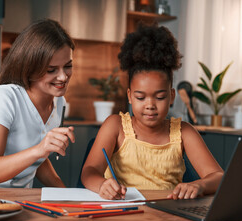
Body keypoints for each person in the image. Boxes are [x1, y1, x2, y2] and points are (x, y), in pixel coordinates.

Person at [81, 23, 224, 200]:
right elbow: (89, 172)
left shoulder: (184, 132)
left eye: (160, 97)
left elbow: (219, 177)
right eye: (140, 98)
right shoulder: (115, 126)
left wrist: (199, 185)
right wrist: (102, 185)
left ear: (172, 96)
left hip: (166, 217)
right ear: (130, 96)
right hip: (121, 214)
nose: (150, 105)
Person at [0, 19, 75, 188]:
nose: (63, 77)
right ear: (30, 67)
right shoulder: (5, 97)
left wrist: (64, 192)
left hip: (18, 201)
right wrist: (39, 149)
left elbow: (38, 160)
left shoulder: (59, 102)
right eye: (51, 70)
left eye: (68, 66)